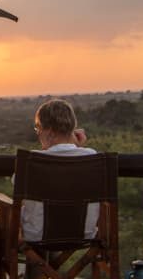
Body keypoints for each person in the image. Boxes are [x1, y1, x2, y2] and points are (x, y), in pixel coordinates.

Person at [20, 98, 99, 243]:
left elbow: (19, 192)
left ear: (48, 131)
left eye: (38, 129)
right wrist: (78, 146)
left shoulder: (32, 161)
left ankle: (32, 265)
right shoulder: (92, 157)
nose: (38, 134)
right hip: (85, 234)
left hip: (37, 235)